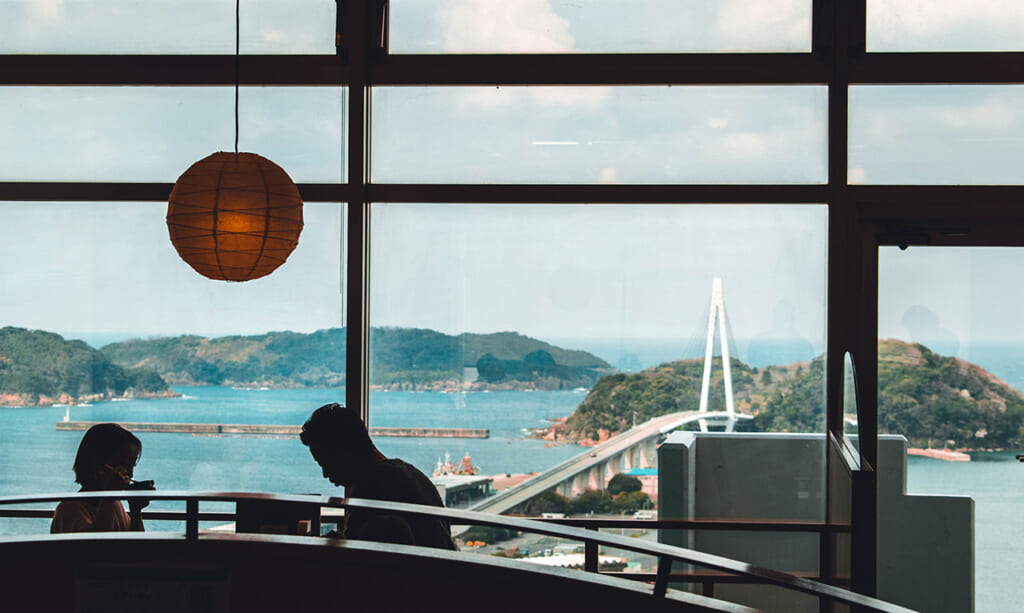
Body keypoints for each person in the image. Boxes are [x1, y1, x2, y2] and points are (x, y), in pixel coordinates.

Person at [300, 403, 456, 550]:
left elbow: (357, 560)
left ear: (342, 452)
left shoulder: (370, 486)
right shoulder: (411, 474)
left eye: (326, 464)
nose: (325, 474)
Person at [51, 423, 150, 533]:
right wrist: (109, 496)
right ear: (98, 465)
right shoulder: (69, 510)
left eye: (132, 465)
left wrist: (136, 510)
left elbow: (136, 543)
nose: (130, 473)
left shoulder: (115, 505)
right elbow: (99, 542)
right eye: (124, 464)